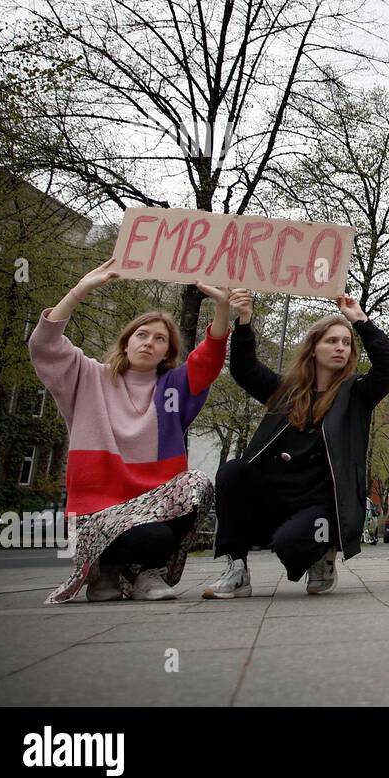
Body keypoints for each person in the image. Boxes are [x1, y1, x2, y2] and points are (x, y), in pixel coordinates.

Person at [28, 258, 232, 604]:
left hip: (150, 510)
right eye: (141, 335)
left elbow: (209, 360)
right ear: (126, 342)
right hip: (98, 513)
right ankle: (104, 571)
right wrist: (79, 291)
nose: (149, 343)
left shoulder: (173, 387)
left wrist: (223, 307)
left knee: (196, 486)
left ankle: (147, 575)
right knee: (142, 536)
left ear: (168, 352)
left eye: (160, 339)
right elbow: (44, 346)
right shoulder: (88, 377)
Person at [203, 291, 389, 597]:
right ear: (313, 348)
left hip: (321, 505)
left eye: (346, 343)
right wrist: (243, 321)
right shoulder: (286, 391)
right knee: (232, 472)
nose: (340, 348)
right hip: (276, 500)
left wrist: (359, 319)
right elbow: (244, 370)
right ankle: (237, 570)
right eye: (331, 341)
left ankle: (322, 556)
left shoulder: (357, 394)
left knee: (290, 544)